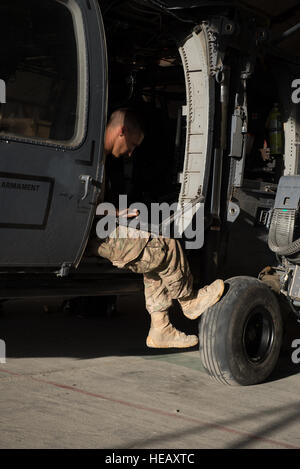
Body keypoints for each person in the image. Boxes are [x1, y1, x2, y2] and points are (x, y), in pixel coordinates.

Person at [93, 108, 224, 349]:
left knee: (152, 257)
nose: (131, 152)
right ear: (121, 131)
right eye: (131, 144)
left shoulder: (96, 155)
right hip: (93, 236)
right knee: (166, 244)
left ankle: (160, 329)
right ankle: (190, 300)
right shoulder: (91, 154)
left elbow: (87, 204)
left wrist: (114, 213)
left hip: (95, 229)